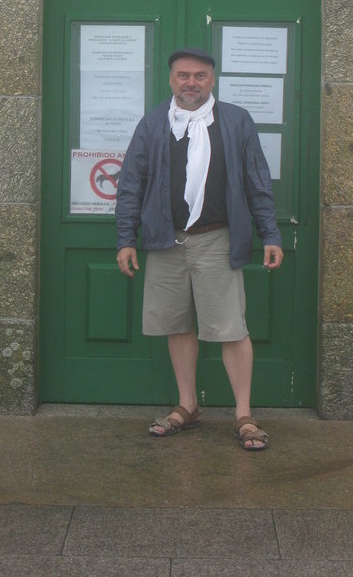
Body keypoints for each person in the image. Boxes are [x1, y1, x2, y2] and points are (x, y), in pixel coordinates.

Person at [116, 47, 283, 451]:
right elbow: (131, 184)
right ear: (171, 79)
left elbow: (257, 180)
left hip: (217, 239)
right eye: (183, 76)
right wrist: (125, 239)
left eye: (200, 76)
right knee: (177, 324)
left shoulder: (236, 121)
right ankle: (188, 407)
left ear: (213, 79)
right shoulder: (153, 123)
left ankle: (243, 415)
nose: (191, 82)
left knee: (230, 328)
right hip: (165, 240)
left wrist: (271, 234)